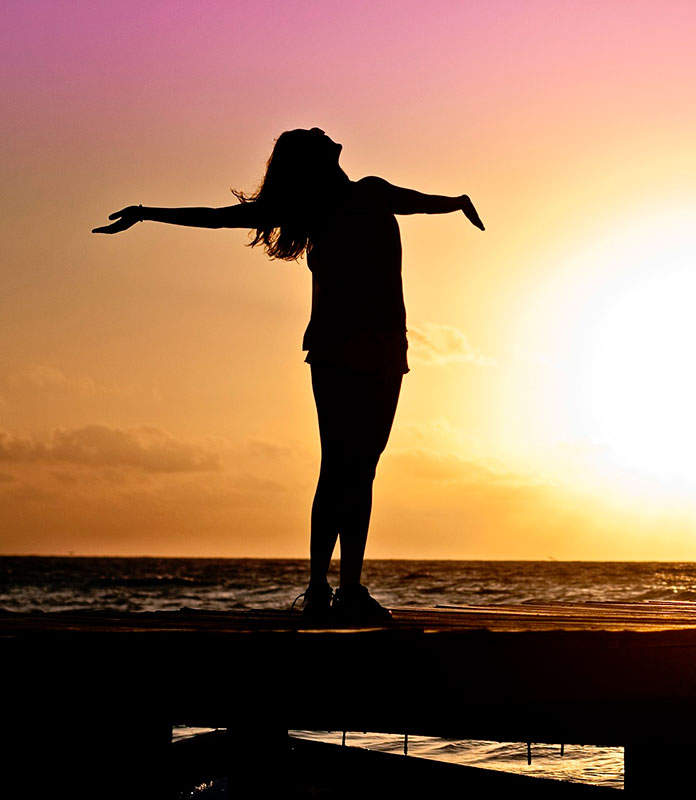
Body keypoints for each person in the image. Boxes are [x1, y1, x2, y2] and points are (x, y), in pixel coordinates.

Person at [94, 127, 484, 623]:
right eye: (314, 136)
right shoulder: (311, 209)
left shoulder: (373, 190)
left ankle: (346, 588)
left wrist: (458, 201)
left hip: (387, 348)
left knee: (360, 469)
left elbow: (424, 202)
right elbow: (218, 219)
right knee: (340, 465)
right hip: (337, 348)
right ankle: (324, 587)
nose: (325, 131)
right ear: (313, 160)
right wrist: (147, 213)